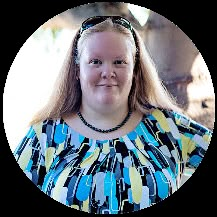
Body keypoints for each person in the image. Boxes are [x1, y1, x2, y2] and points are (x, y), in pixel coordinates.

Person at [13, 16, 213, 214]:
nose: (108, 72)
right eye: (95, 61)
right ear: (77, 69)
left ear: (135, 69)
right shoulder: (44, 135)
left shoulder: (169, 127)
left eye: (119, 62)